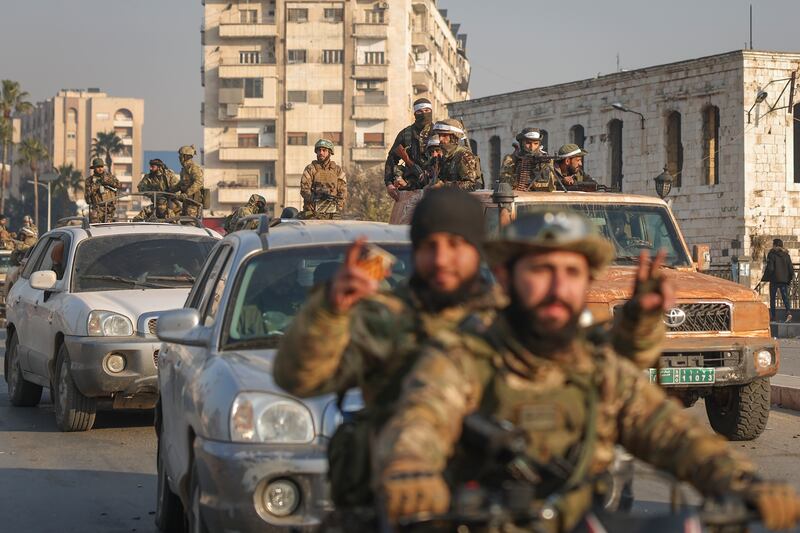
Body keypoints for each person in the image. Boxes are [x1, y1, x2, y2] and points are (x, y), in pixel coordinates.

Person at [375, 211, 800, 532]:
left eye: (572, 273)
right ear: (504, 275)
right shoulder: (461, 358)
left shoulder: (599, 369)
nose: (559, 288)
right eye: (542, 271)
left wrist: (741, 484)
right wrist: (412, 471)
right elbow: (421, 419)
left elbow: (669, 432)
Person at [274, 189, 503, 514]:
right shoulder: (386, 320)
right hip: (398, 503)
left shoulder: (508, 321)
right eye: (429, 246)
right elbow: (297, 378)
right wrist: (330, 312)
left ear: (477, 249)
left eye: (455, 244)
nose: (441, 259)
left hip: (494, 506)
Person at [385, 98, 434, 199]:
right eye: (420, 111)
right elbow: (391, 159)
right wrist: (389, 183)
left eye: (427, 110)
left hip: (435, 188)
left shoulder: (438, 133)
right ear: (415, 113)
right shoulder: (406, 134)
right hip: (410, 188)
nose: (424, 114)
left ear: (431, 111)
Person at [429, 119, 482, 191]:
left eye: (444, 135)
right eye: (439, 135)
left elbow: (470, 185)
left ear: (453, 137)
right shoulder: (443, 157)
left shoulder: (464, 155)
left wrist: (444, 186)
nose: (440, 139)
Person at [299, 139, 347, 220]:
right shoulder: (311, 169)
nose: (321, 153)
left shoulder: (337, 170)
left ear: (330, 152)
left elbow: (343, 191)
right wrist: (314, 198)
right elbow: (304, 189)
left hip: (333, 213)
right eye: (319, 150)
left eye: (324, 150)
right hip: (313, 213)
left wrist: (338, 206)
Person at [500, 127, 557, 191]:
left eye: (535, 143)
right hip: (518, 195)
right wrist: (518, 177)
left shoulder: (545, 159)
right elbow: (504, 181)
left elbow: (550, 185)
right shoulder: (511, 159)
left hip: (540, 196)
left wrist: (537, 168)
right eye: (528, 143)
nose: (532, 147)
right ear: (521, 143)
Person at [760, 238, 795, 322]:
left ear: (775, 245)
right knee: (785, 297)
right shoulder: (787, 255)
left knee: (772, 298)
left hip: (774, 280)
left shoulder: (772, 254)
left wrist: (766, 277)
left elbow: (770, 268)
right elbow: (791, 268)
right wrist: (789, 279)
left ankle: (773, 316)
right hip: (784, 280)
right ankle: (788, 313)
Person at [85, 158, 120, 223]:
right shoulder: (89, 181)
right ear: (94, 168)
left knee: (109, 227)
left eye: (101, 167)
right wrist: (97, 185)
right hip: (98, 209)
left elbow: (118, 185)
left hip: (110, 208)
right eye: (98, 167)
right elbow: (87, 197)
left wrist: (107, 181)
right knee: (96, 227)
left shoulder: (109, 177)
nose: (100, 169)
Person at [177, 145, 204, 217]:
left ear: (185, 157)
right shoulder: (184, 169)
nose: (179, 158)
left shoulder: (194, 168)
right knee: (184, 222)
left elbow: (199, 182)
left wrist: (187, 193)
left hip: (193, 202)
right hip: (186, 200)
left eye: (181, 156)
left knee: (190, 222)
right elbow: (181, 183)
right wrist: (170, 190)